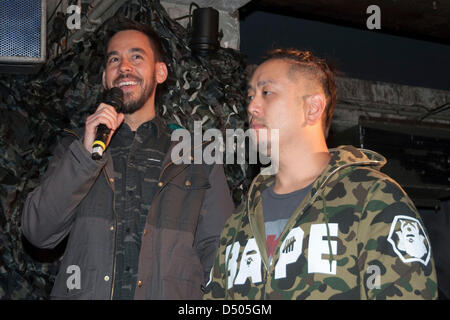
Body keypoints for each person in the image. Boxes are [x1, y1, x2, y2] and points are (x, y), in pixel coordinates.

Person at [21, 18, 233, 300]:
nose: (124, 67)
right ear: (106, 79)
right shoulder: (78, 149)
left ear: (160, 72)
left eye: (136, 56)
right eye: (114, 60)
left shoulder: (198, 156)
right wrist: (85, 156)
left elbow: (222, 253)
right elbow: (38, 232)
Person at [203, 48, 438, 300]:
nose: (252, 106)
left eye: (267, 93)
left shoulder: (373, 199)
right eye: (250, 95)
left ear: (312, 108)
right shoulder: (240, 220)